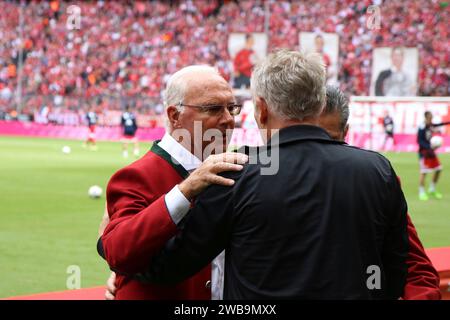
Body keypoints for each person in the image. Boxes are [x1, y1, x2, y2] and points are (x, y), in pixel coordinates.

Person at [133, 50, 409, 299]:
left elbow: (168, 267)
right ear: (318, 104)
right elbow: (396, 272)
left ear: (262, 109)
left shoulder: (237, 172)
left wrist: (118, 240)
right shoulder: (376, 169)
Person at [97, 65, 247, 300]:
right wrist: (185, 190)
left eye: (232, 108)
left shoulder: (235, 170)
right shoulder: (136, 176)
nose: (228, 119)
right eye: (213, 108)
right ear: (174, 115)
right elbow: (118, 251)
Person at [318, 85, 440, 300]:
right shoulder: (254, 177)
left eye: (329, 140)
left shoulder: (377, 181)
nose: (321, 151)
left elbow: (417, 268)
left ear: (345, 133)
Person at [417, 111, 450, 201]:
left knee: (438, 169)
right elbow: (419, 141)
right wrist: (429, 146)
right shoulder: (422, 127)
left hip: (430, 152)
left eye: (432, 118)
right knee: (424, 172)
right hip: (424, 152)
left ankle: (432, 189)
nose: (431, 119)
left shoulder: (430, 125)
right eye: (430, 118)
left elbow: (439, 124)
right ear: (426, 117)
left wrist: (448, 122)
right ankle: (421, 192)